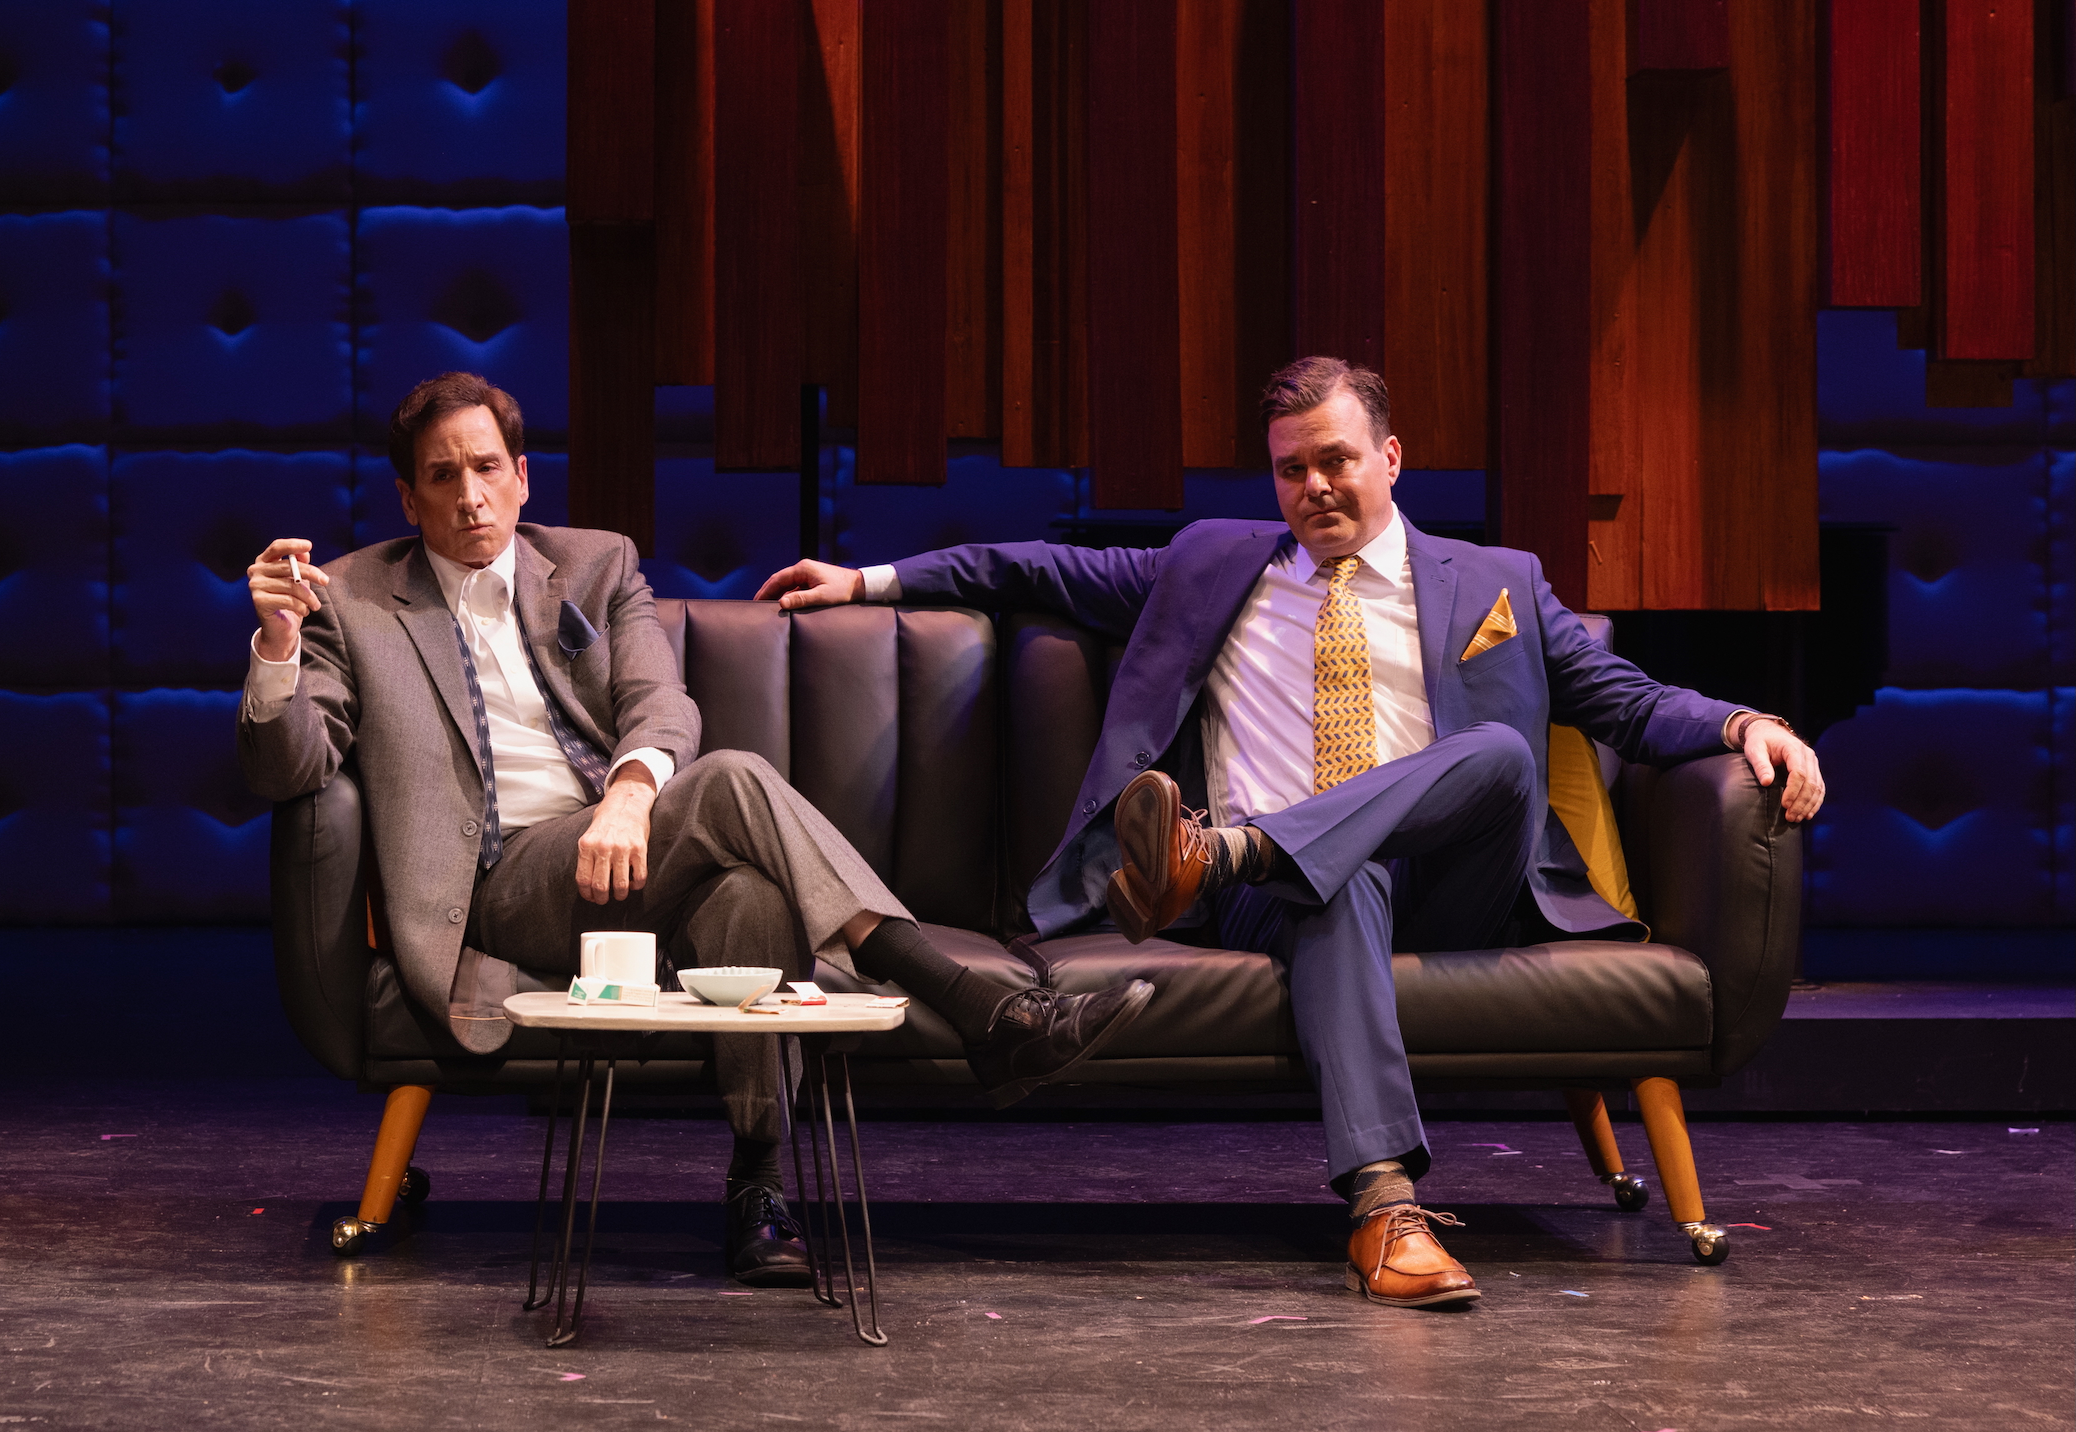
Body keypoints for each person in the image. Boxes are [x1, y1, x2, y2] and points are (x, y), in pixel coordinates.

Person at [755, 356, 1824, 1309]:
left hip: (1449, 872)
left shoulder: (1499, 580)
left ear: (1390, 456)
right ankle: (1383, 1206)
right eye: (1287, 469)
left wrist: (1744, 722)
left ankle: (1226, 847)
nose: (1311, 486)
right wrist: (869, 578)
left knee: (1499, 751)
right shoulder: (1213, 564)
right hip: (1285, 893)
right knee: (1335, 873)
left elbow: (1626, 702)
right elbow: (1029, 567)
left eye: (1334, 459)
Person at [239, 372, 1156, 1285]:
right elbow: (290, 768)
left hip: (629, 854)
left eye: (486, 468)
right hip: (501, 886)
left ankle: (757, 1188)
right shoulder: (351, 599)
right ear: (409, 497)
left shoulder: (597, 564)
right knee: (732, 780)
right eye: (443, 477)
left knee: (746, 894)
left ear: (524, 475)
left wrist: (628, 797)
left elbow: (661, 705)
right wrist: (278, 644)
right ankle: (980, 1009)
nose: (470, 497)